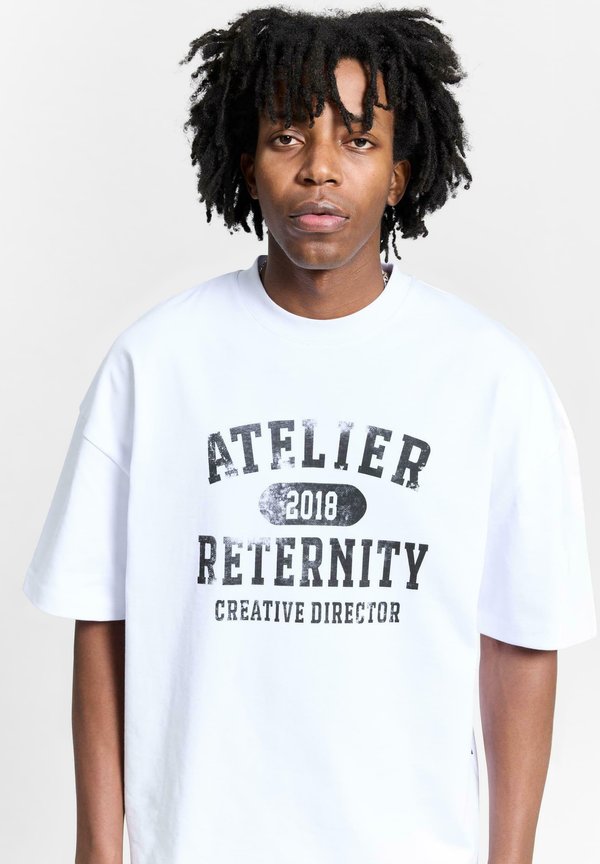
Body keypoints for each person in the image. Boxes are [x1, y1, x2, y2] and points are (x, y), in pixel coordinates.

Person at [23, 6, 597, 864]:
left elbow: (522, 641)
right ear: (246, 168)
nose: (320, 168)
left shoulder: (491, 379)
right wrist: (97, 852)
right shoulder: (156, 365)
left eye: (358, 141)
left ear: (400, 175)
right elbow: (104, 624)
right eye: (287, 138)